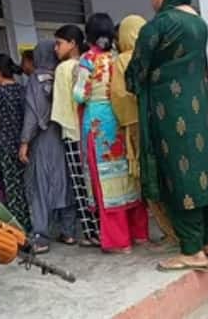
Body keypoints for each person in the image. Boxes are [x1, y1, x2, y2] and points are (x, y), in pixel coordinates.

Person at [126, 0, 208, 272]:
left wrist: (135, 79)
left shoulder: (159, 25)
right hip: (199, 110)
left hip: (169, 112)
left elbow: (136, 72)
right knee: (204, 169)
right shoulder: (200, 24)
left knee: (180, 175)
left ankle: (192, 251)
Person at [73, 13, 147, 254]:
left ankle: (119, 241)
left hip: (97, 122)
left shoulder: (87, 60)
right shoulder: (116, 57)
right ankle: (139, 233)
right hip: (119, 118)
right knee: (125, 176)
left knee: (104, 182)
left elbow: (79, 95)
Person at [112, 15, 178, 248]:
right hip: (163, 122)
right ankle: (182, 231)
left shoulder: (122, 61)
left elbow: (119, 95)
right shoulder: (158, 55)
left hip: (137, 127)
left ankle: (170, 232)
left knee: (148, 179)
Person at [19, 40, 76, 252]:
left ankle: (41, 236)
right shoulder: (61, 74)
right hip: (63, 134)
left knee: (40, 184)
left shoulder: (36, 79)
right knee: (64, 181)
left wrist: (24, 142)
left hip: (42, 138)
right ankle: (69, 231)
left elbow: (32, 115)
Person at [52, 24, 100, 247]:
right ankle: (102, 229)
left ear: (72, 44)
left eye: (59, 43)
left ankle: (91, 232)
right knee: (95, 181)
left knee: (81, 184)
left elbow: (62, 106)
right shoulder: (89, 62)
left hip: (72, 131)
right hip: (92, 130)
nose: (56, 48)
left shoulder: (63, 69)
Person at [0, 54, 31, 230]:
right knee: (28, 184)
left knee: (13, 187)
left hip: (5, 144)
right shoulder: (21, 89)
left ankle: (21, 226)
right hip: (25, 144)